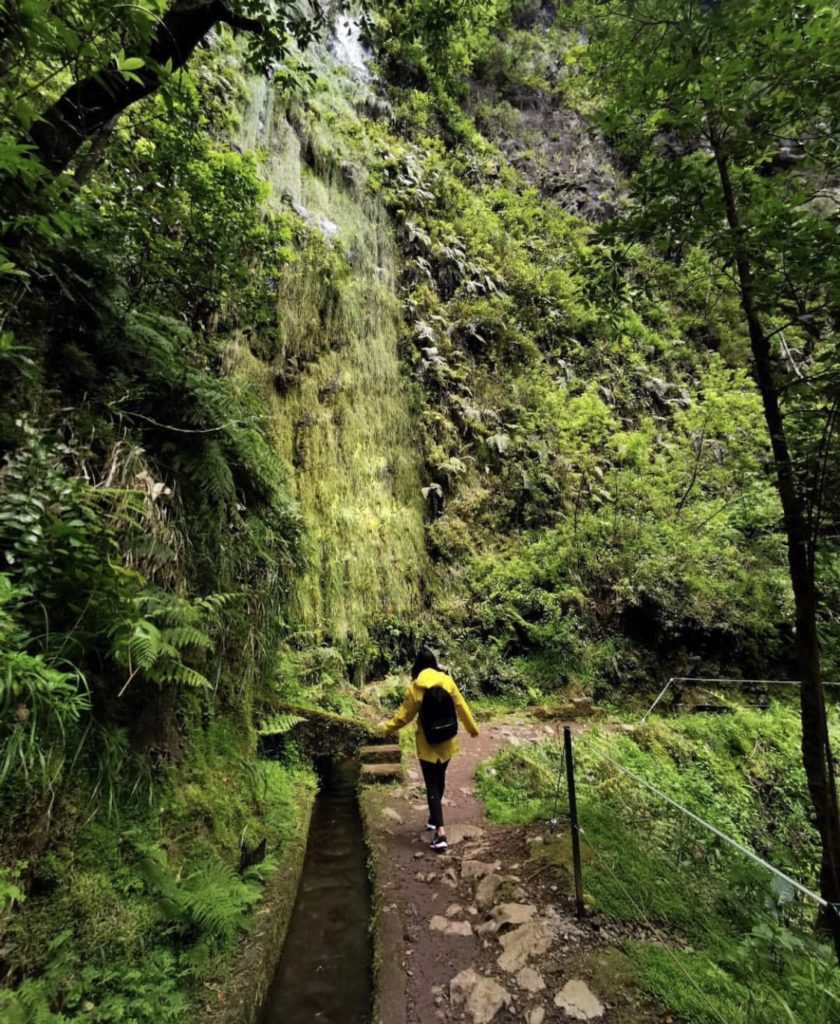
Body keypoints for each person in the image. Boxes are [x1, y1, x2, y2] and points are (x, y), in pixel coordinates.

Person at [381, 647, 479, 852]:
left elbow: (403, 717)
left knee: (431, 784)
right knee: (440, 779)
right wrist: (472, 729)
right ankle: (435, 819)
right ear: (434, 663)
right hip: (447, 740)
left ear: (417, 666)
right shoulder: (447, 681)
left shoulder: (415, 688)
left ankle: (440, 832)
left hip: (427, 742)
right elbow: (462, 706)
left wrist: (385, 728)